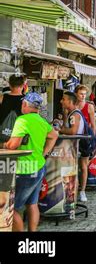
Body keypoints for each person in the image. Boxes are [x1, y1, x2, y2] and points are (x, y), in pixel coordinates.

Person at [5, 92, 58, 231]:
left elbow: (13, 145)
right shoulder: (41, 121)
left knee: (13, 208)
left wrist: (5, 145)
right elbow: (54, 135)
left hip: (24, 169)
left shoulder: (22, 120)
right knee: (32, 204)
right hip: (38, 166)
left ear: (25, 104)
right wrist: (43, 153)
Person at [74, 85, 96, 202]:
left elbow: (93, 125)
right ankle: (73, 189)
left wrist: (93, 140)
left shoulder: (89, 107)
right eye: (81, 94)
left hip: (85, 138)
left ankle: (82, 190)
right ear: (76, 94)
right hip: (73, 139)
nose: (83, 96)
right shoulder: (73, 105)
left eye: (84, 94)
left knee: (83, 166)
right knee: (73, 165)